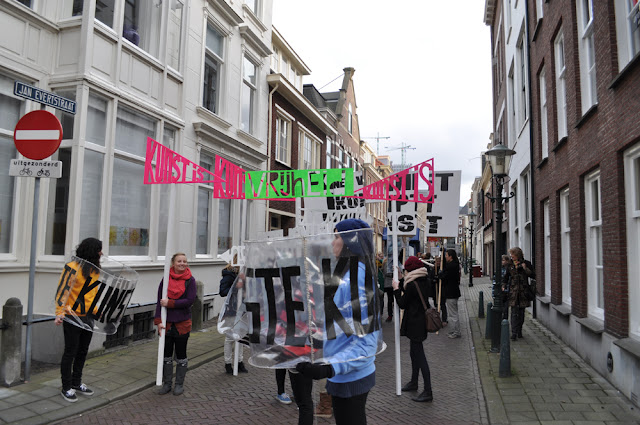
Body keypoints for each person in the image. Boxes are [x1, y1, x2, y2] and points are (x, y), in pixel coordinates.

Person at [296, 218, 380, 425]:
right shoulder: (347, 274)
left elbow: (367, 343)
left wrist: (330, 368)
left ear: (350, 242)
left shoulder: (357, 279)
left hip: (351, 374)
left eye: (337, 237)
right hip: (344, 372)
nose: (332, 242)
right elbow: (340, 324)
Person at [55, 237, 103, 402]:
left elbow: (92, 294)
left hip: (88, 317)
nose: (101, 253)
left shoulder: (95, 270)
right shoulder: (72, 267)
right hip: (72, 316)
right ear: (92, 251)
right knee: (70, 352)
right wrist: (59, 312)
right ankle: (66, 387)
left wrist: (96, 311)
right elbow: (63, 290)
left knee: (83, 351)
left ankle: (76, 382)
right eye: (99, 250)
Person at [154, 253, 197, 395]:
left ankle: (179, 384)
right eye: (179, 261)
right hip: (167, 324)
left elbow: (189, 301)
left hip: (182, 324)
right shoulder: (166, 279)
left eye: (184, 261)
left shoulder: (190, 280)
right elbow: (159, 301)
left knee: (181, 355)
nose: (182, 263)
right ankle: (167, 384)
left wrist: (171, 303)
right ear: (173, 263)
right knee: (166, 355)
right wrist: (158, 321)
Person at [392, 256, 433, 402]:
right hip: (421, 323)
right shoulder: (425, 280)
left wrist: (396, 289)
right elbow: (412, 289)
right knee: (414, 353)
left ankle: (428, 391)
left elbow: (402, 303)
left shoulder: (412, 284)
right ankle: (414, 382)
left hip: (414, 323)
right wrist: (402, 279)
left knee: (420, 357)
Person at [219, 259, 248, 374]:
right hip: (231, 310)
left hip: (242, 310)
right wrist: (236, 288)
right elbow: (222, 291)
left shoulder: (244, 274)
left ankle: (239, 362)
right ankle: (228, 363)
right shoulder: (229, 275)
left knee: (240, 337)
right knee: (230, 338)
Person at [506, 247, 535, 341]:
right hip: (513, 292)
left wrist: (525, 268)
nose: (511, 256)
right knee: (514, 312)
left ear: (517, 255)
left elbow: (533, 275)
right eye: (511, 255)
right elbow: (506, 277)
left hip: (523, 292)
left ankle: (519, 330)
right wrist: (503, 285)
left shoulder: (526, 263)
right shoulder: (510, 264)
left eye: (513, 255)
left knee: (521, 313)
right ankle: (514, 333)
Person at [439, 249, 462, 339]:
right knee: (453, 312)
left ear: (450, 257)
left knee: (453, 314)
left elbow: (445, 277)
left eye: (446, 255)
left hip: (451, 292)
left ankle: (456, 332)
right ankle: (454, 331)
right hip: (453, 292)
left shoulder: (451, 266)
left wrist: (441, 275)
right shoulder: (454, 265)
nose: (445, 257)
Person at [501, 254, 513, 320]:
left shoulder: (509, 269)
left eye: (503, 260)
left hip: (507, 291)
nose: (502, 262)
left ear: (507, 261)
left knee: (505, 308)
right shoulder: (501, 269)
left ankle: (505, 321)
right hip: (502, 290)